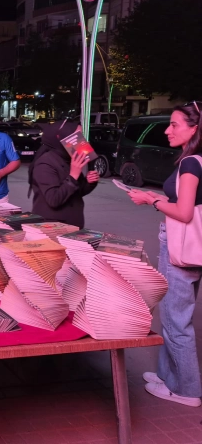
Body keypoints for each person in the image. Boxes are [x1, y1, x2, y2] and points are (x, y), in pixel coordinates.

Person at [127, 102, 202, 407]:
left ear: (194, 129)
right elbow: (191, 202)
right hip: (192, 245)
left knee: (175, 320)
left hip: (180, 246)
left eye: (174, 124)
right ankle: (167, 376)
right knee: (175, 315)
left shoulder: (191, 163)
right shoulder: (196, 160)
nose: (167, 130)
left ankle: (186, 390)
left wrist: (151, 201)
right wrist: (159, 197)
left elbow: (184, 213)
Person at [28, 119, 99, 227]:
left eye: (81, 135)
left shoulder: (68, 158)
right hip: (52, 226)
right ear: (62, 137)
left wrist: (89, 182)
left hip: (73, 223)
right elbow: (54, 200)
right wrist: (73, 176)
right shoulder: (44, 163)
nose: (81, 140)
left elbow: (77, 193)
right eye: (77, 135)